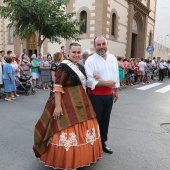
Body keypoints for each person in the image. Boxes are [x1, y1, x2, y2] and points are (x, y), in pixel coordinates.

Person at [33, 42, 102, 170]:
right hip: (66, 102)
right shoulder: (63, 67)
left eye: (78, 52)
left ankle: (82, 157)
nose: (76, 55)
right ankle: (65, 159)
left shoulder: (80, 67)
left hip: (81, 100)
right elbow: (57, 86)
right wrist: (58, 106)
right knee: (63, 127)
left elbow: (84, 82)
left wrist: (95, 77)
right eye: (74, 52)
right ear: (68, 53)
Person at [85, 36, 119, 154]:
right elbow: (89, 82)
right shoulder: (90, 60)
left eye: (103, 44)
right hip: (95, 96)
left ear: (107, 44)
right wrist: (105, 83)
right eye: (98, 45)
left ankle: (102, 142)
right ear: (94, 46)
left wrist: (116, 91)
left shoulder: (113, 58)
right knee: (95, 121)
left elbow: (116, 76)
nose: (101, 47)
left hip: (109, 95)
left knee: (105, 120)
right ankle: (92, 145)